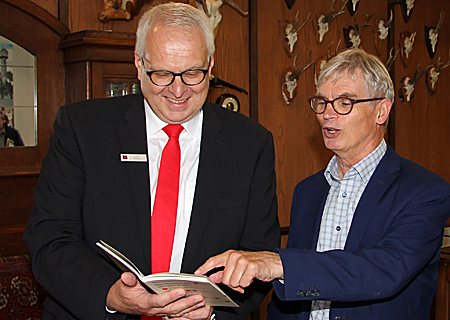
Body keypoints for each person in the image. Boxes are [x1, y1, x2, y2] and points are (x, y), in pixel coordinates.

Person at [23, 3, 280, 320]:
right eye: (161, 74)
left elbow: (258, 254)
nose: (177, 89)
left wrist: (213, 311)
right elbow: (50, 240)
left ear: (211, 66)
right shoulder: (82, 129)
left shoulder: (250, 143)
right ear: (138, 63)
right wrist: (111, 295)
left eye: (192, 73)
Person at [196, 48, 450, 320]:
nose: (327, 114)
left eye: (344, 103)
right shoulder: (307, 191)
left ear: (381, 111)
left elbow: (383, 271)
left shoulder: (425, 191)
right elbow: (288, 305)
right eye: (322, 102)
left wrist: (281, 264)